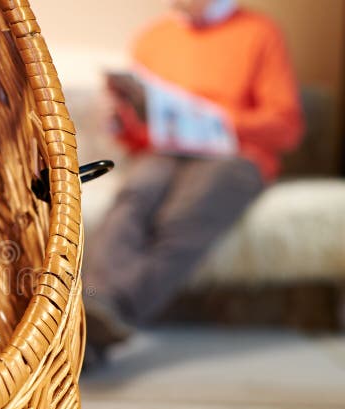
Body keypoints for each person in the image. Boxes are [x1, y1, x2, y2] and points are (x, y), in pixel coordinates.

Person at [83, 0, 304, 356]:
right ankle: (95, 311)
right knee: (134, 197)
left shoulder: (260, 33)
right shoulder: (155, 37)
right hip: (164, 152)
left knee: (184, 214)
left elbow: (286, 128)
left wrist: (211, 117)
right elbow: (141, 134)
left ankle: (104, 316)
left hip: (234, 155)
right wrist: (120, 122)